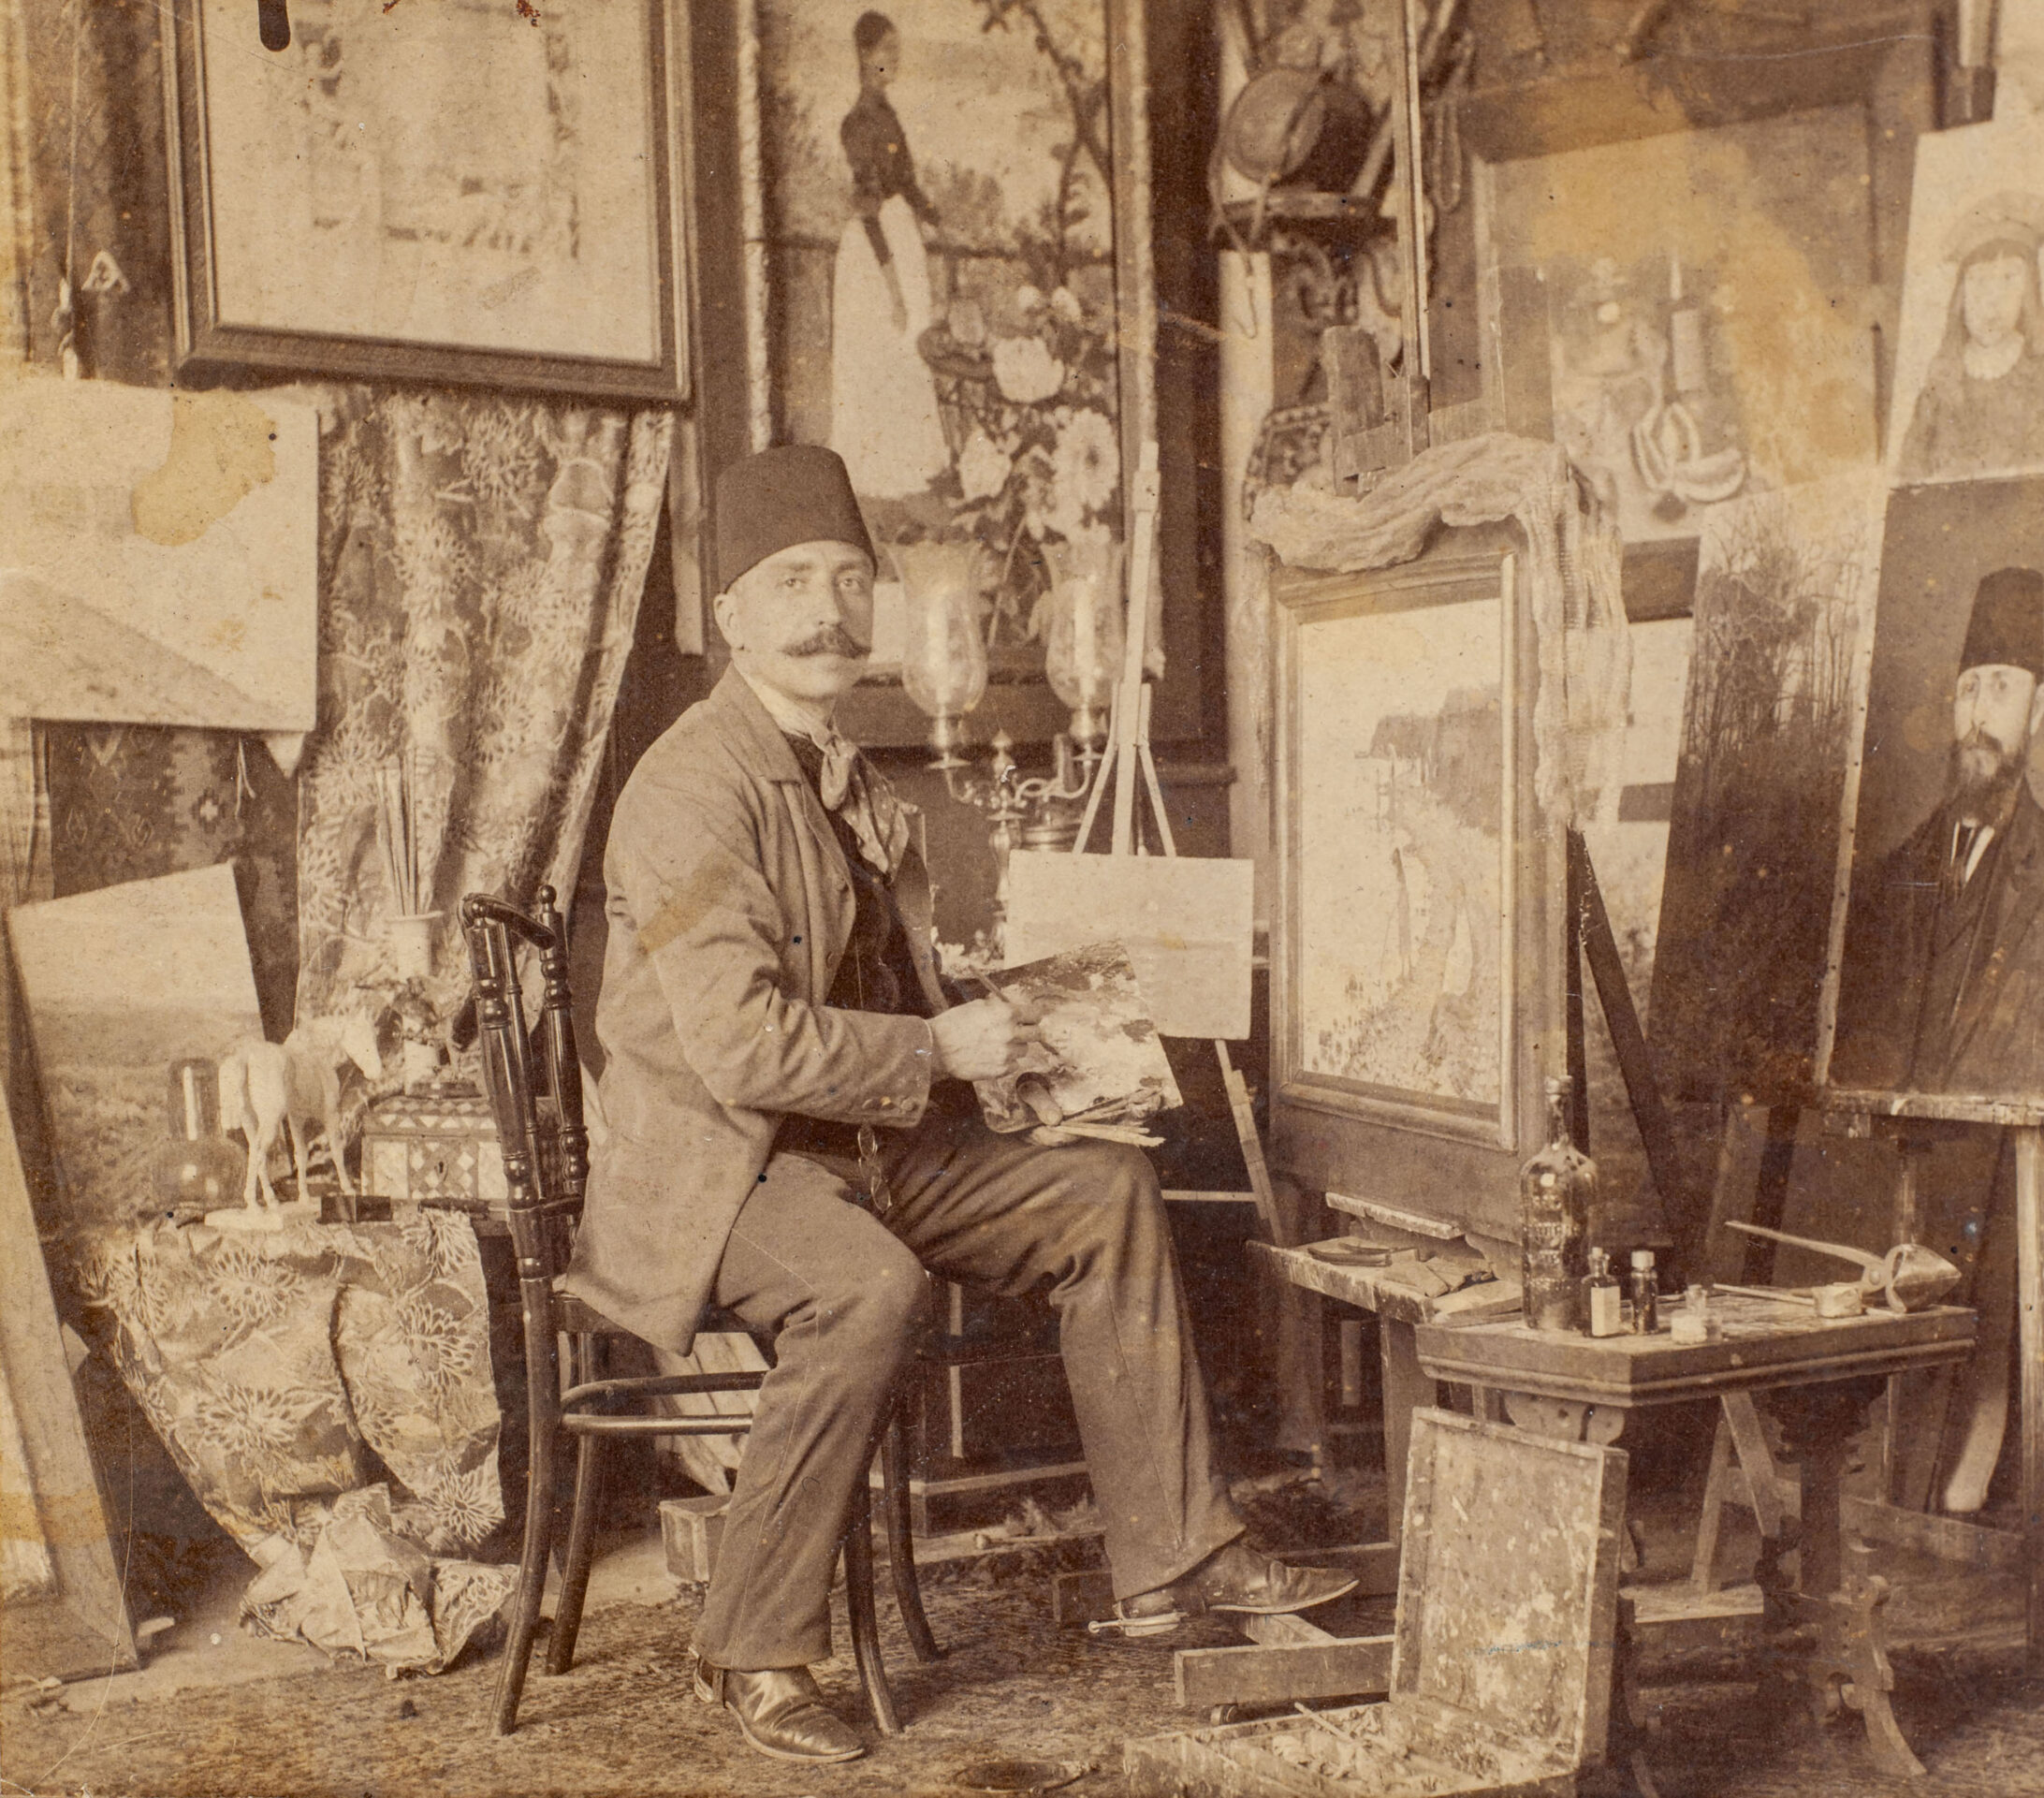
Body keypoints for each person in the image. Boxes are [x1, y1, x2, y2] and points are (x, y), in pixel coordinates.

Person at [560, 445, 1353, 1766]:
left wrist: (1011, 1031)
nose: (828, 611)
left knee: (1102, 1191)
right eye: (792, 582)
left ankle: (1176, 1558)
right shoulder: (692, 786)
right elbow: (742, 1048)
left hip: (868, 1145)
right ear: (731, 616)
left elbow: (870, 974)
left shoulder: (842, 767)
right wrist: (937, 1044)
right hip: (716, 1167)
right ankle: (751, 1647)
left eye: (848, 580)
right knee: (864, 1289)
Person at [1829, 566, 2044, 1101]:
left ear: (2038, 707)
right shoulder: (1893, 873)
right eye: (1969, 689)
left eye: (2002, 687)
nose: (1978, 714)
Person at [827, 11, 952, 499]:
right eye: (887, 52)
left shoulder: (888, 114)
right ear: (865, 55)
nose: (895, 60)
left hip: (902, 236)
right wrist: (894, 289)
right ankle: (877, 473)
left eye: (898, 52)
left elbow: (907, 183)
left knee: (908, 352)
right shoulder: (857, 123)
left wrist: (936, 217)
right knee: (886, 350)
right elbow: (869, 211)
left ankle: (910, 466)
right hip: (875, 253)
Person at [1896, 191, 2044, 483]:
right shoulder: (1941, 382)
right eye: (1979, 281)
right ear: (1960, 295)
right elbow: (1909, 473)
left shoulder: (2043, 378)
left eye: (2009, 279)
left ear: (2029, 291)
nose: (1992, 300)